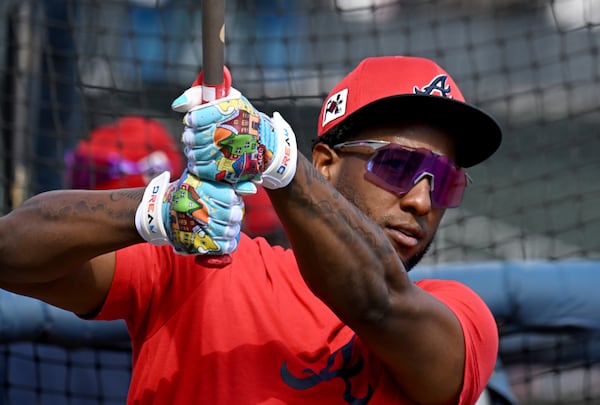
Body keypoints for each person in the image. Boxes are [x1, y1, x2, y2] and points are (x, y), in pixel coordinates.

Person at [0, 55, 502, 404]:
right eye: (396, 165)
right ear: (325, 165)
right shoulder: (204, 265)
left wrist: (279, 160)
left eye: (445, 182)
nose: (420, 200)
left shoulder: (462, 318)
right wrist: (155, 209)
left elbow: (376, 299)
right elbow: (10, 251)